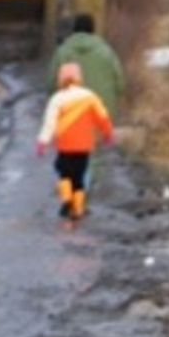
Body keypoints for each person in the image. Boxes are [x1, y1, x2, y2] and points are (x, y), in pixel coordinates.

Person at [36, 61, 114, 220]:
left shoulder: (57, 98)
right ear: (79, 78)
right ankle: (78, 209)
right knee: (79, 176)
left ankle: (66, 202)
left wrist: (43, 141)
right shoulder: (89, 96)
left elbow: (50, 122)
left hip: (65, 144)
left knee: (64, 172)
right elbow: (102, 117)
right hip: (84, 145)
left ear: (60, 78)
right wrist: (108, 133)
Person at [48, 12, 125, 119]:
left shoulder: (63, 52)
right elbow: (120, 84)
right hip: (102, 112)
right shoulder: (106, 51)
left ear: (74, 30)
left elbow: (51, 84)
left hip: (72, 114)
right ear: (93, 30)